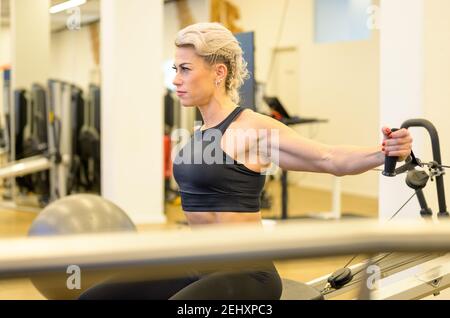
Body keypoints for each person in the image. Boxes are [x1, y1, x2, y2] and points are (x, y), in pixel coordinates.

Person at [80, 22, 412, 300]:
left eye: (185, 69)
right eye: (174, 69)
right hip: (195, 262)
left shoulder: (251, 128)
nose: (176, 79)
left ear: (218, 72)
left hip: (245, 273)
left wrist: (383, 151)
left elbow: (328, 158)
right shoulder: (199, 131)